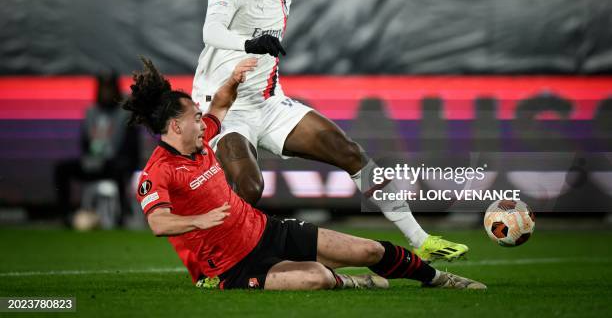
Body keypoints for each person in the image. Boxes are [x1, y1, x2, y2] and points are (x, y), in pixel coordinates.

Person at [192, 0, 468, 262]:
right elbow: (210, 33)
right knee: (250, 187)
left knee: (350, 151)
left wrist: (261, 56)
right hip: (223, 107)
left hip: (268, 104)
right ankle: (212, 257)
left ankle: (421, 240)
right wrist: (251, 43)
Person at [123, 57, 486, 291]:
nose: (203, 123)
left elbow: (219, 105)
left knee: (371, 249)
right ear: (175, 126)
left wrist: (234, 79)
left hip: (268, 231)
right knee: (317, 278)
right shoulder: (158, 173)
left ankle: (438, 278)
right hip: (229, 269)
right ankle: (350, 283)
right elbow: (159, 224)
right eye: (194, 119)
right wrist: (202, 219)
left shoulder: (203, 141)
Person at [54, 72, 139, 226]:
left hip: (114, 163)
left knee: (119, 170)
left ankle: (121, 217)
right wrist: (91, 159)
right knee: (62, 169)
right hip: (93, 161)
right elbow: (85, 143)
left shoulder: (125, 114)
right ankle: (65, 215)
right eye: (103, 89)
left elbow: (131, 147)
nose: (106, 93)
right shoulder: (91, 112)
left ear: (115, 90)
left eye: (109, 89)